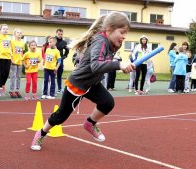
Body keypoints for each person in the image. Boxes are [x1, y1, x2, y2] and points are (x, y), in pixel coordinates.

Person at [30, 11, 134, 151]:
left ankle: (90, 123)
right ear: (109, 29)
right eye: (122, 32)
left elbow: (103, 62)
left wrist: (123, 64)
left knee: (107, 103)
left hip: (93, 83)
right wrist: (119, 65)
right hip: (78, 83)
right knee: (61, 116)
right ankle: (41, 133)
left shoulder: (114, 43)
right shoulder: (100, 41)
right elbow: (96, 65)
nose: (124, 36)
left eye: (125, 33)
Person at [9, 28, 25, 98]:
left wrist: (22, 59)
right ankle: (11, 90)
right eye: (18, 33)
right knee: (13, 76)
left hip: (20, 62)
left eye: (20, 33)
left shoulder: (22, 42)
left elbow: (22, 52)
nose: (19, 34)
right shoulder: (12, 42)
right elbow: (10, 51)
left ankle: (17, 90)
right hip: (13, 61)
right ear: (14, 34)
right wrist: (11, 59)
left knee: (19, 77)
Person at [0, 24, 12, 96]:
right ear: (0, 30)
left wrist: (11, 53)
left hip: (8, 57)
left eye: (6, 29)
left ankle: (2, 85)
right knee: (2, 72)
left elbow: (9, 47)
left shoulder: (9, 38)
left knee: (7, 72)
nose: (5, 30)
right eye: (4, 29)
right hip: (1, 56)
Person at [55, 28, 69, 93]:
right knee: (51, 75)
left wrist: (65, 56)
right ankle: (49, 90)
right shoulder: (53, 40)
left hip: (60, 60)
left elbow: (67, 50)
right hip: (52, 60)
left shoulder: (64, 42)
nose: (60, 35)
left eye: (61, 34)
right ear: (56, 33)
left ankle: (59, 89)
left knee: (59, 75)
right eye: (59, 34)